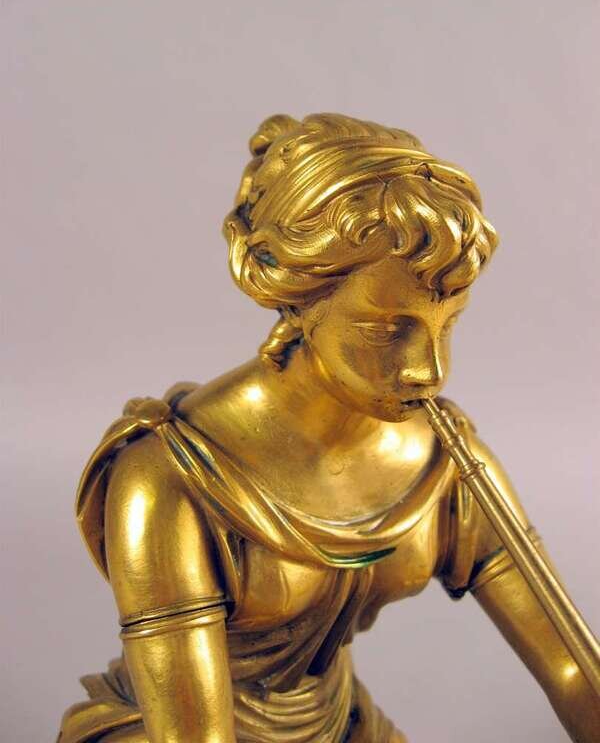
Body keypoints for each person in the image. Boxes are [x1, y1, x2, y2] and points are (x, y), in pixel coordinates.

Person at [57, 114, 599, 742]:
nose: (429, 370)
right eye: (385, 330)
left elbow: (571, 666)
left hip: (339, 722)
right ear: (297, 297)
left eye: (446, 325)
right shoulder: (171, 476)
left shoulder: (444, 459)